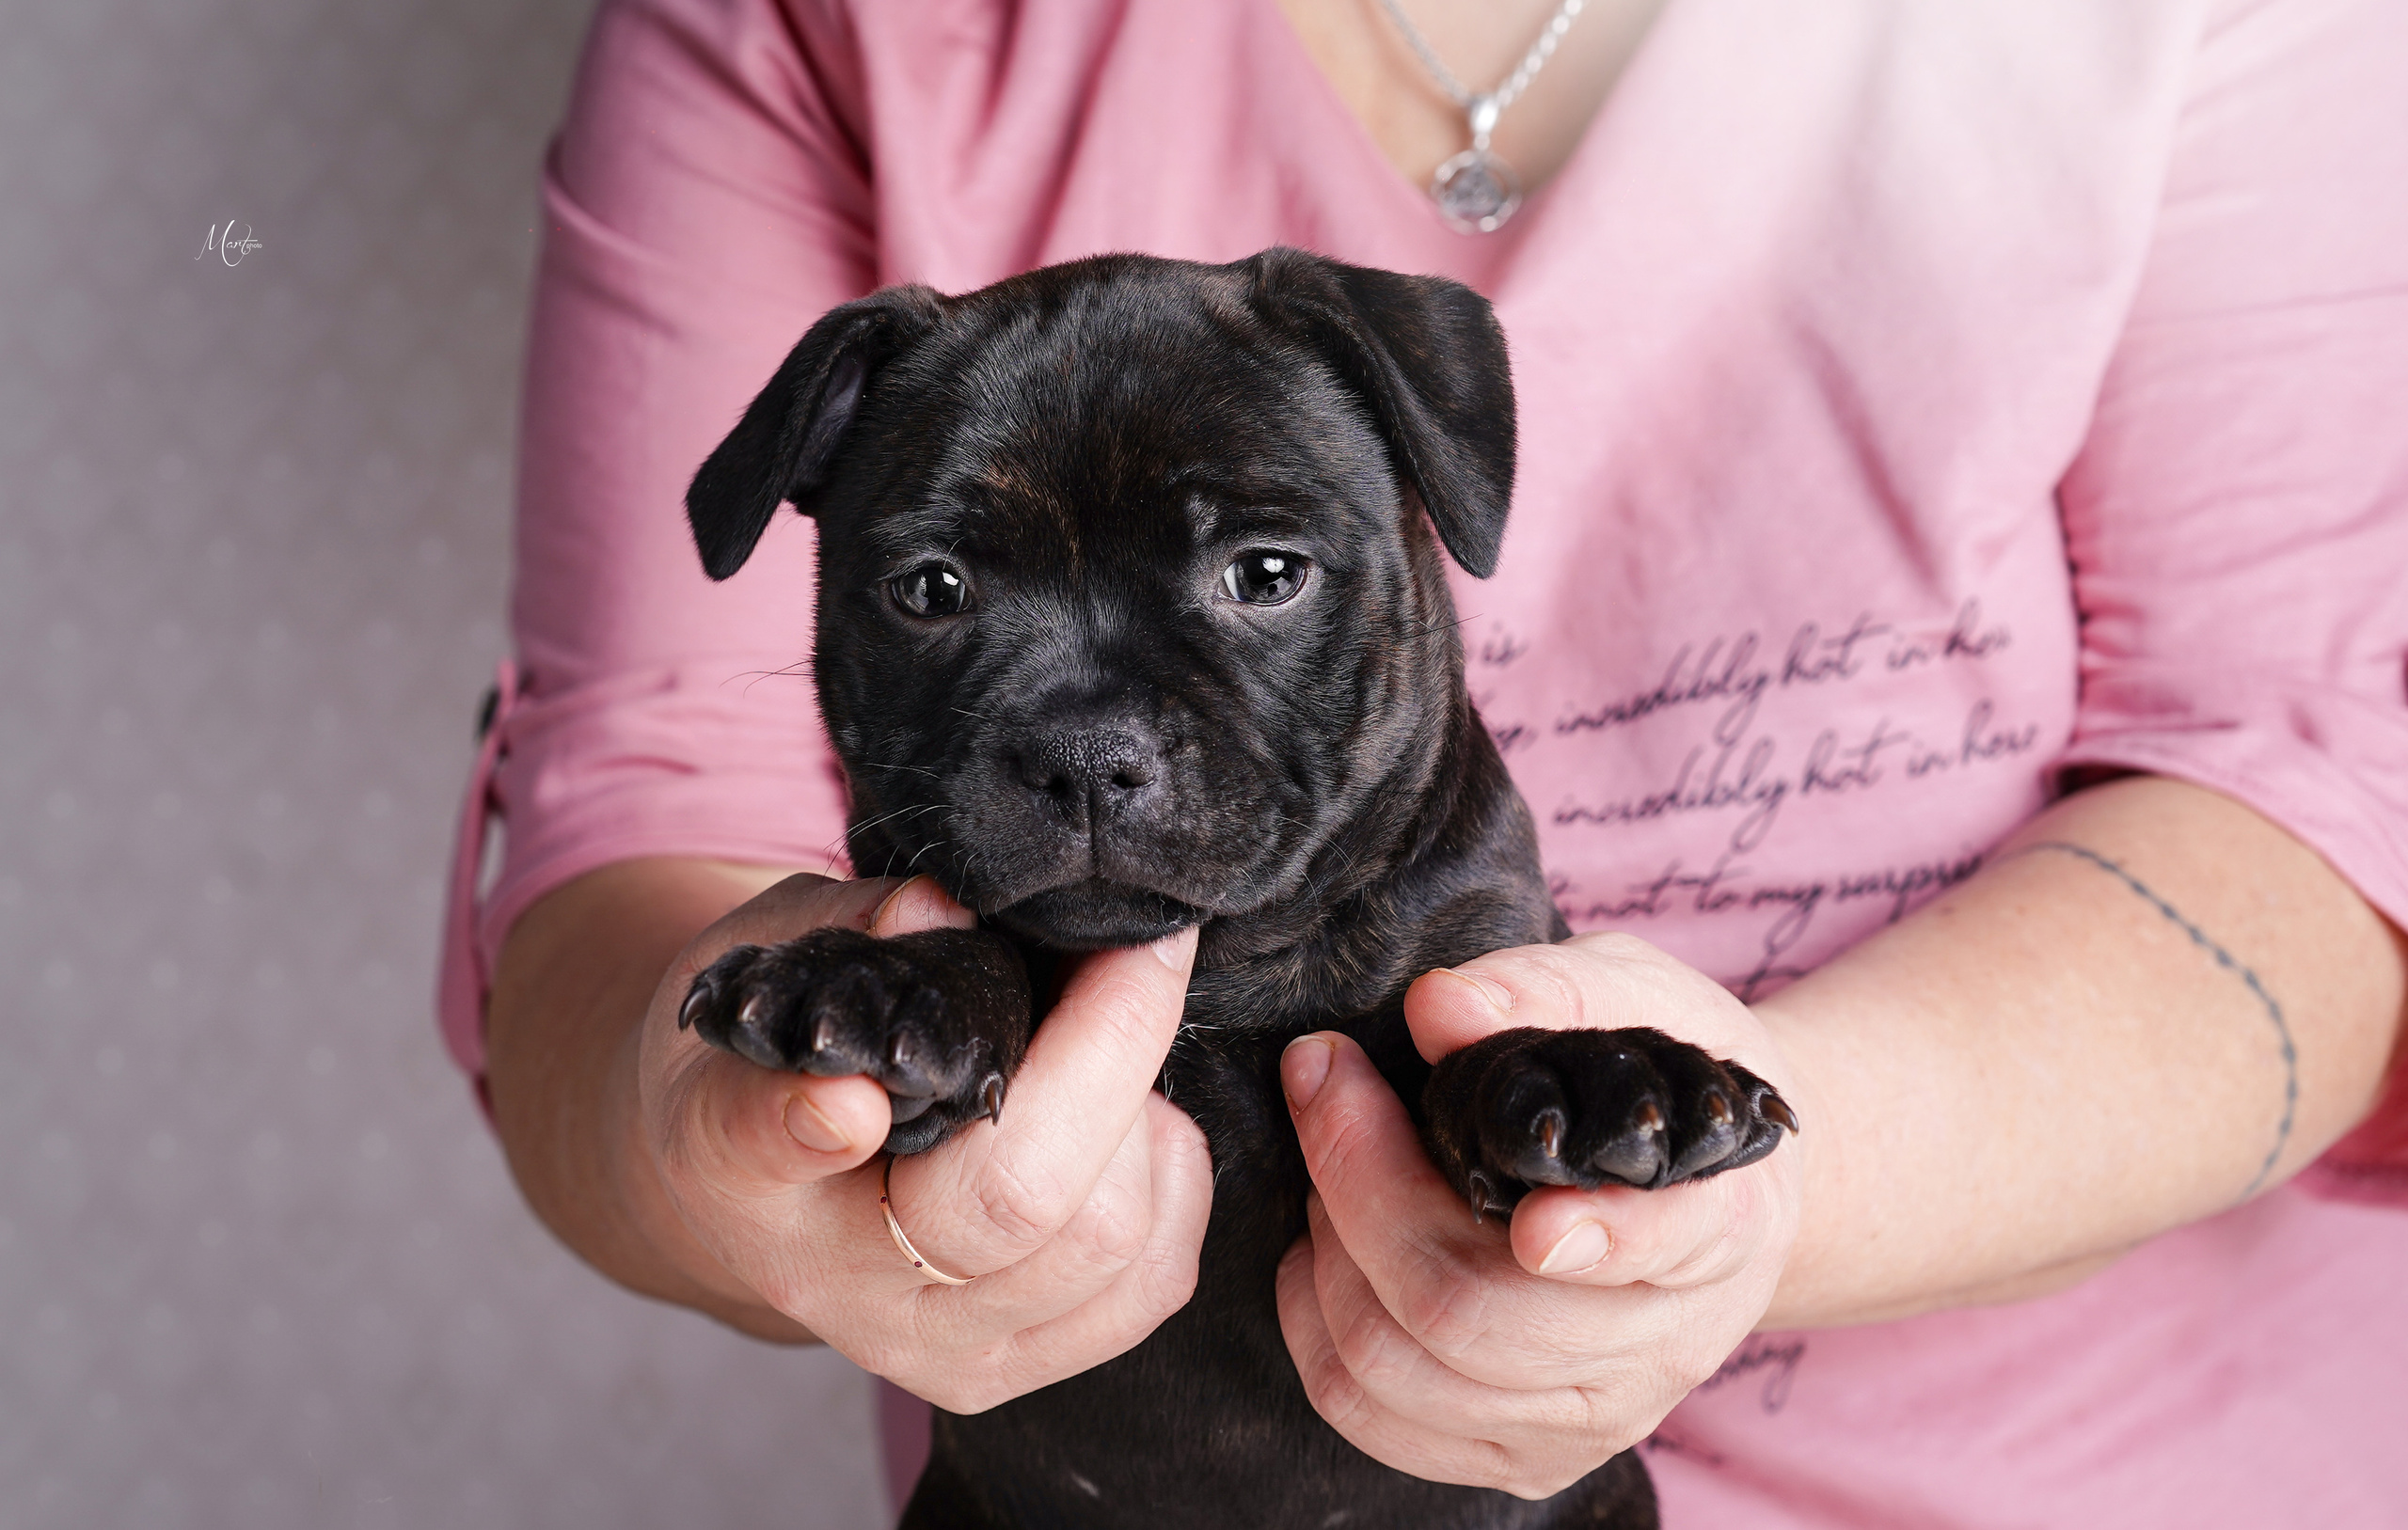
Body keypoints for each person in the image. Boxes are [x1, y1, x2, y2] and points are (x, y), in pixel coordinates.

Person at [438, 0, 2408, 1521]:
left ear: (1422, 495)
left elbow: (2314, 793)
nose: (1100, 734)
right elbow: (640, 807)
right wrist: (716, 1130)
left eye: (1260, 570)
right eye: (941, 589)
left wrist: (1724, 1184)